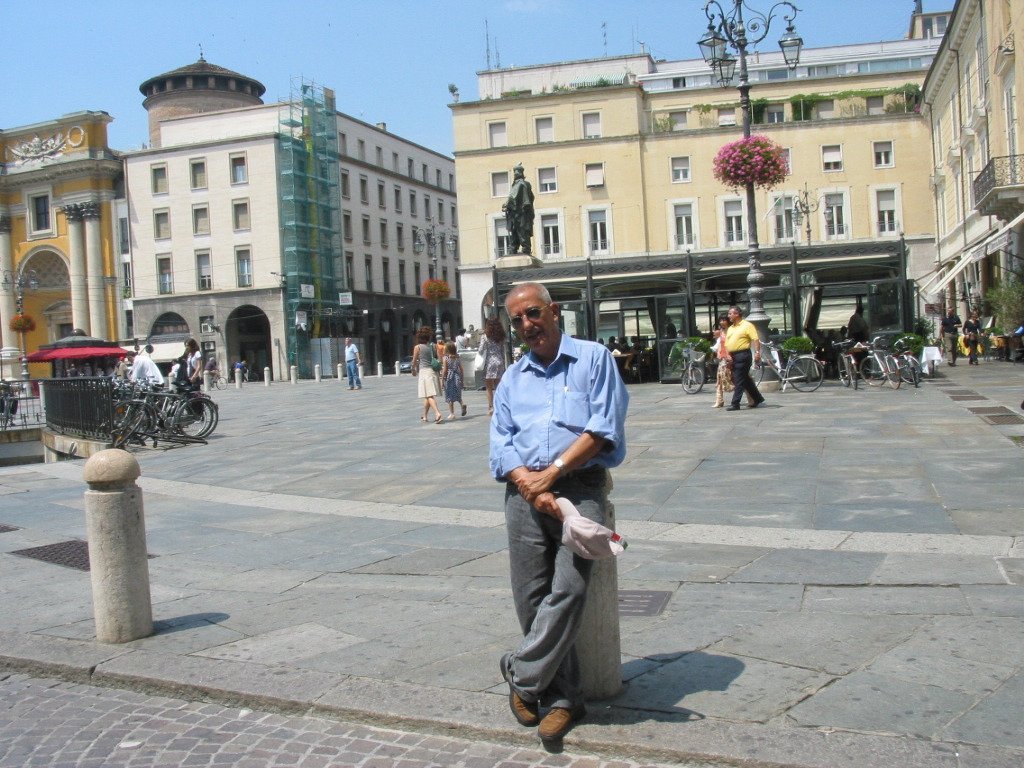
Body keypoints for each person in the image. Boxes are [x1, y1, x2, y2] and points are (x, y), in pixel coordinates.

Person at [490, 282, 628, 745]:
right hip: (524, 493)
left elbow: (602, 429)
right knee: (530, 597)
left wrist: (552, 475)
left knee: (569, 589)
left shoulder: (593, 359)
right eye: (517, 320)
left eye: (533, 314)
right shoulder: (513, 377)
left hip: (579, 488)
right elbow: (500, 440)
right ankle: (566, 697)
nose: (527, 325)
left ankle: (520, 671)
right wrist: (530, 485)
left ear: (553, 311)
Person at [724, 305, 765, 411]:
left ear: (737, 314)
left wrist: (757, 352)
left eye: (730, 313)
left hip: (743, 355)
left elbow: (755, 339)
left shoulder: (747, 325)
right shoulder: (730, 328)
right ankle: (757, 398)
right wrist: (727, 354)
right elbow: (727, 343)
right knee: (745, 379)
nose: (729, 316)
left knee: (739, 379)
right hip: (733, 356)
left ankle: (735, 403)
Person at [411, 325, 443, 424]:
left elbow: (414, 361)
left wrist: (413, 370)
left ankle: (437, 413)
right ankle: (424, 415)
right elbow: (438, 358)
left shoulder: (418, 347)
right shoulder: (431, 346)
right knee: (427, 395)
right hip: (432, 372)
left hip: (424, 372)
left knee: (429, 395)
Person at [501, 164, 535, 255]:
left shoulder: (521, 184)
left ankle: (524, 248)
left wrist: (507, 204)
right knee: (515, 231)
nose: (516, 174)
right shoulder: (520, 184)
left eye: (517, 172)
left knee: (521, 231)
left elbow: (513, 197)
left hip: (520, 214)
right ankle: (513, 248)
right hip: (516, 214)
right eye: (515, 172)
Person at [480, 315, 507, 416]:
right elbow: (502, 351)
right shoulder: (500, 336)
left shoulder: (485, 336)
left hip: (490, 362)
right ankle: (500, 405)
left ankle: (491, 407)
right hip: (499, 361)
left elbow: (481, 350)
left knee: (488, 387)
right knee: (498, 386)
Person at [711, 315, 734, 408]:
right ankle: (719, 400)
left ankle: (751, 398)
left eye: (724, 320)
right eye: (720, 320)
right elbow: (718, 345)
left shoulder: (732, 330)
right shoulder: (721, 332)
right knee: (720, 378)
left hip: (731, 357)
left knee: (738, 378)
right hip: (723, 358)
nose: (721, 322)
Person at [440, 341, 467, 420]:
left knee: (449, 396)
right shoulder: (457, 357)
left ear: (447, 350)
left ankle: (452, 414)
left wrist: (442, 380)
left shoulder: (446, 358)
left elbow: (445, 370)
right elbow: (461, 369)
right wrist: (462, 379)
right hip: (457, 377)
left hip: (449, 378)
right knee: (458, 394)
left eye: (445, 349)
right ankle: (462, 404)